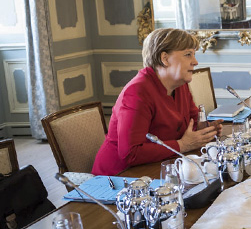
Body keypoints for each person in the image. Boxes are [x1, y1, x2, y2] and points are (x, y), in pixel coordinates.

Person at [92, 28, 223, 176]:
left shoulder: (180, 85)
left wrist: (205, 130)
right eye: (188, 55)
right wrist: (182, 145)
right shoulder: (137, 92)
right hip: (120, 176)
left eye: (194, 54)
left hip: (160, 167)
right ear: (165, 59)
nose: (195, 62)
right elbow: (131, 153)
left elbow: (191, 125)